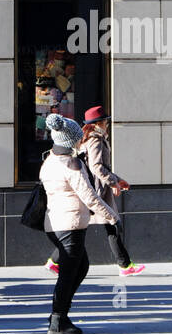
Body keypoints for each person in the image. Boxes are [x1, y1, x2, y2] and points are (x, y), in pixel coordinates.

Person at [39, 113, 118, 334]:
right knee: (69, 273)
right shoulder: (72, 164)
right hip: (70, 223)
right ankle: (58, 319)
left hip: (54, 222)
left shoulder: (50, 159)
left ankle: (59, 314)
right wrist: (112, 217)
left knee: (80, 267)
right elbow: (90, 196)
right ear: (72, 139)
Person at [45, 106, 144, 278]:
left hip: (96, 187)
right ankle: (124, 265)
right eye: (105, 121)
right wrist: (113, 182)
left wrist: (117, 179)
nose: (107, 124)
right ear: (99, 123)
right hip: (96, 190)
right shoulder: (96, 139)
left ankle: (54, 261)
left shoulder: (88, 138)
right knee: (109, 224)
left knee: (95, 226)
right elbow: (97, 167)